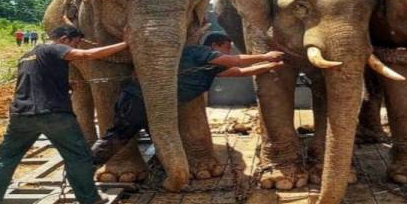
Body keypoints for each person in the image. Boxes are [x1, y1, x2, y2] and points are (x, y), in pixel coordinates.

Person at [0, 25, 129, 204]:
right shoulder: (54, 48)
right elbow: (88, 55)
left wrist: (64, 84)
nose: (74, 47)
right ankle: (90, 200)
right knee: (77, 156)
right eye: (75, 43)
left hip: (21, 115)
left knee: (5, 157)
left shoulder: (27, 56)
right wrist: (126, 43)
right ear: (64, 39)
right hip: (54, 115)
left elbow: (35, 81)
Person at [91, 32, 284, 166]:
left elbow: (240, 71)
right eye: (226, 48)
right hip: (137, 100)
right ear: (214, 46)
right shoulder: (198, 52)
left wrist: (269, 66)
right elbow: (236, 61)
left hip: (157, 106)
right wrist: (266, 56)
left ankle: (171, 172)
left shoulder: (210, 65)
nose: (228, 53)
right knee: (119, 136)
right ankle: (87, 163)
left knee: (160, 139)